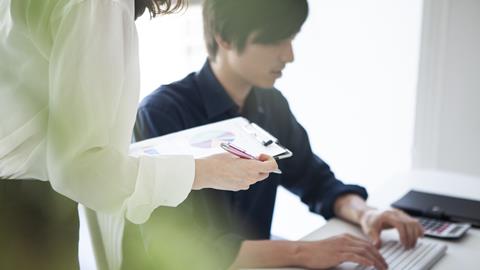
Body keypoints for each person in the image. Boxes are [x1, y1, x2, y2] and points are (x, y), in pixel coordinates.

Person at [133, 0, 425, 269]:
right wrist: (301, 252)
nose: (289, 55)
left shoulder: (270, 104)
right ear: (225, 38)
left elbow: (316, 180)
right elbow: (181, 247)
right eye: (275, 40)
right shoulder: (162, 113)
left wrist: (365, 214)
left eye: (291, 38)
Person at [0, 0, 278, 269]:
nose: (288, 55)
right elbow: (81, 167)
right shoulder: (100, 6)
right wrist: (204, 171)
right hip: (21, 213)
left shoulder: (273, 104)